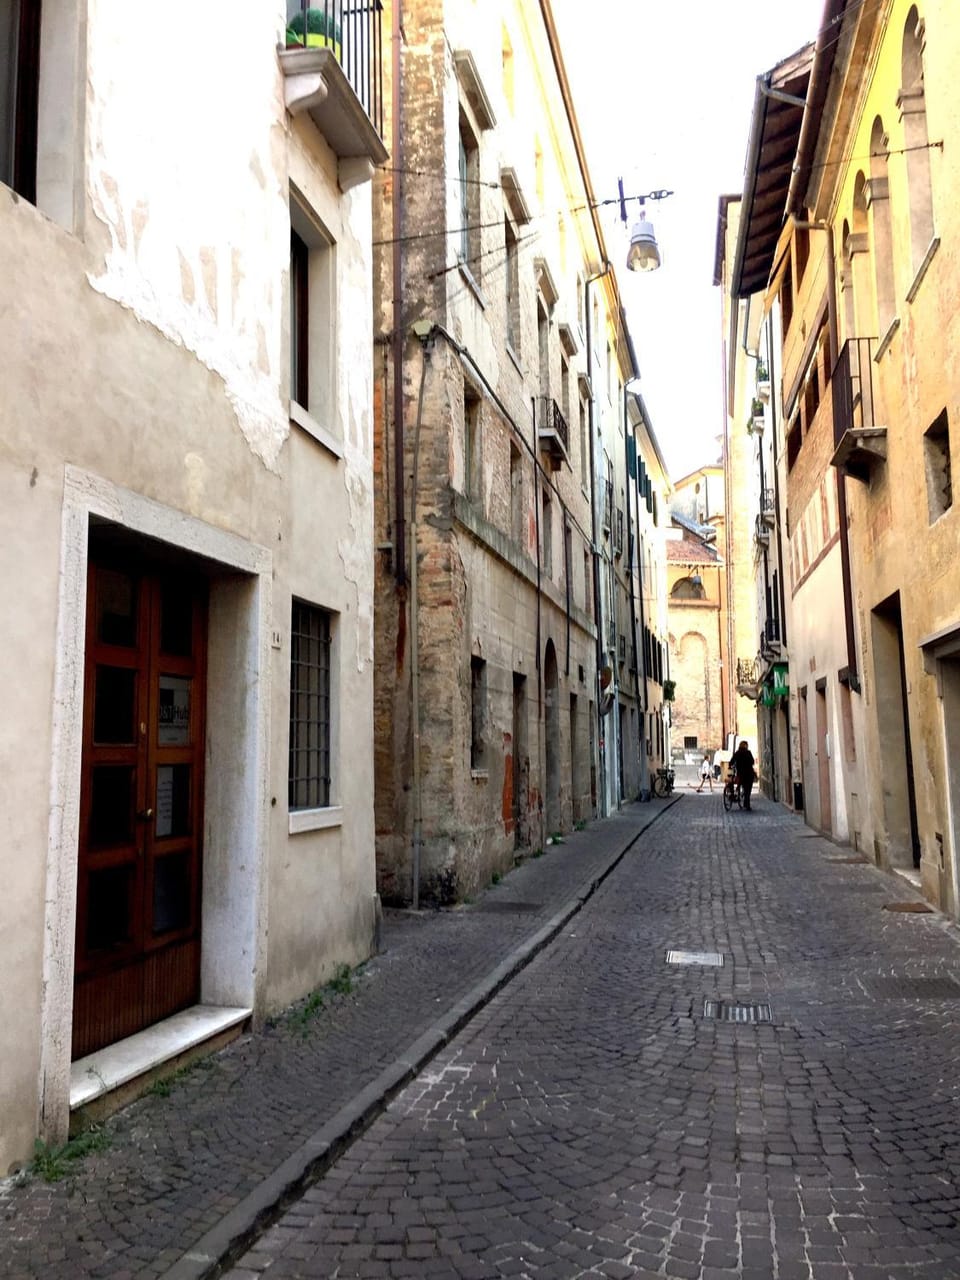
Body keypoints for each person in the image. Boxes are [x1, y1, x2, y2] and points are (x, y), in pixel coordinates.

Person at [732, 740, 756, 810]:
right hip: (749, 773)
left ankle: (743, 799)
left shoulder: (737, 753)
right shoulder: (748, 753)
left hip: (741, 774)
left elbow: (732, 761)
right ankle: (747, 804)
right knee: (748, 790)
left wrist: (730, 765)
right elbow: (752, 762)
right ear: (745, 746)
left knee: (744, 787)